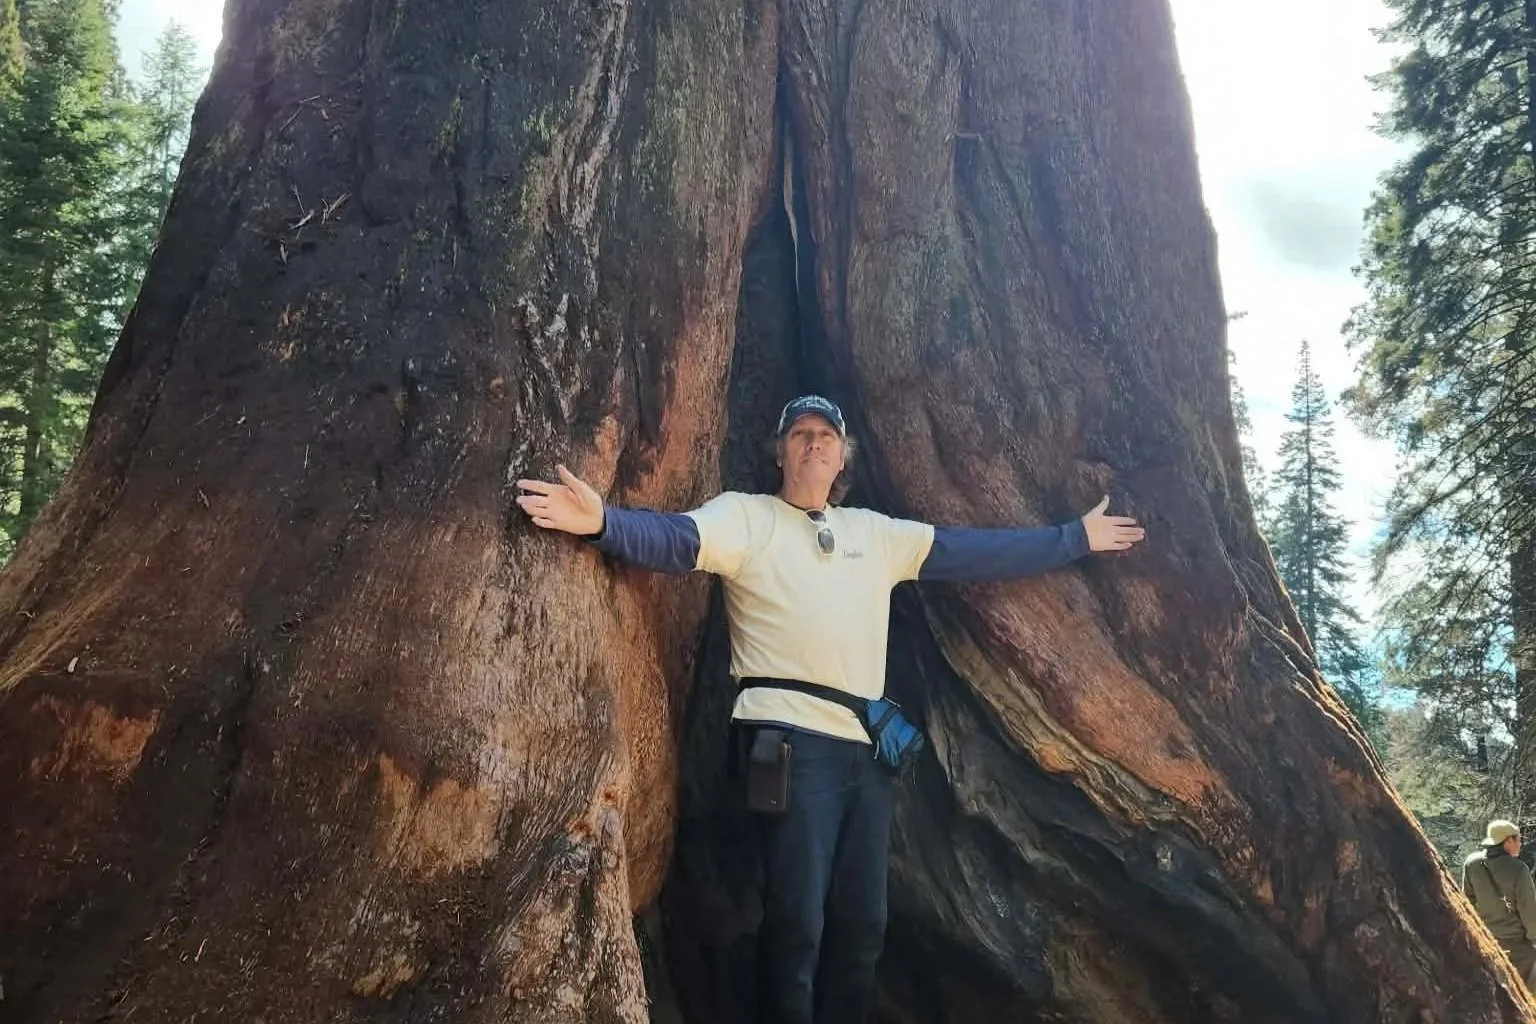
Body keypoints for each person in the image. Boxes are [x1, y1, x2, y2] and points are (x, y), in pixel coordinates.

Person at [515, 395, 1146, 1024]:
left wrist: (1075, 539)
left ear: (843, 455)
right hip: (786, 743)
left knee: (863, 921)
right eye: (799, 433)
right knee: (797, 920)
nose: (813, 442)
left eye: (826, 434)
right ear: (780, 450)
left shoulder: (874, 535)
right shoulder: (747, 519)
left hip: (865, 751)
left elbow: (971, 551)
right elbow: (677, 539)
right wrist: (603, 523)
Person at [1462, 819, 1536, 986]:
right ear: (1508, 841)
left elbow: (1467, 902)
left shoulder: (1472, 863)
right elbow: (1529, 910)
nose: (1520, 843)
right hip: (1518, 948)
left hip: (1485, 943)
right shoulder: (1518, 869)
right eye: (1518, 839)